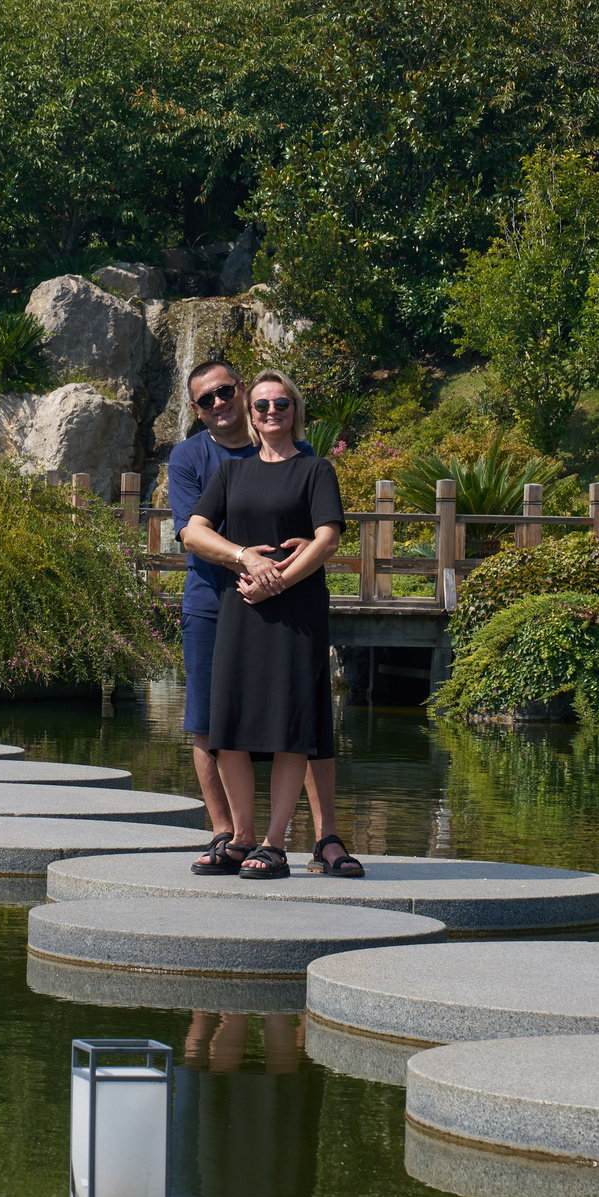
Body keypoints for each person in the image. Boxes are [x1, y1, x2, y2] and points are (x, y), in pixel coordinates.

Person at [166, 359, 360, 875]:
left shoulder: (314, 465)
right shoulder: (203, 462)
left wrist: (283, 574)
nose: (269, 410)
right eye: (262, 404)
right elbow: (192, 529)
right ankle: (233, 835)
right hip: (229, 604)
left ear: (294, 410)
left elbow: (326, 535)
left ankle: (305, 840)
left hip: (291, 605)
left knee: (294, 721)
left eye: (280, 403)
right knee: (221, 721)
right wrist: (247, 560)